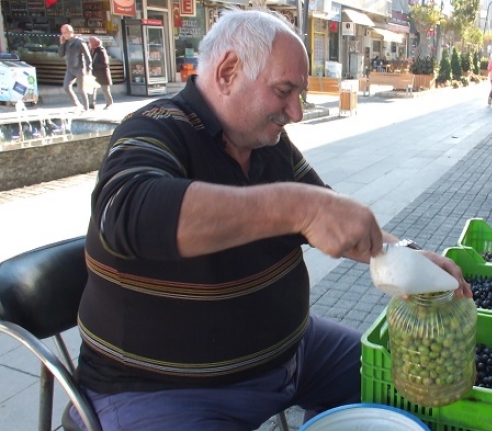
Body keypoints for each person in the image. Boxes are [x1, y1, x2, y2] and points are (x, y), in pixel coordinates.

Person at [70, 9, 471, 431]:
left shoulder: (266, 144)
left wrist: (410, 256)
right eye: (284, 91)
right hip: (162, 389)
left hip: (294, 354)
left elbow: (332, 218)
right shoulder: (152, 130)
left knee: (392, 383)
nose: (296, 112)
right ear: (227, 71)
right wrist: (297, 207)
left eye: (300, 94)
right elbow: (128, 212)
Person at [58, 24, 92, 111]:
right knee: (66, 87)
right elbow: (61, 55)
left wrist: (89, 69)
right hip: (70, 68)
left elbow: (88, 56)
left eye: (66, 32)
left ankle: (86, 108)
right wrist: (61, 44)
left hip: (79, 68)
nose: (64, 35)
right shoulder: (66, 42)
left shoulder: (79, 42)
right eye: (63, 33)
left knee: (81, 89)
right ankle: (77, 104)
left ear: (71, 32)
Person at [88, 36, 113, 109]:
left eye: (90, 42)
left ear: (94, 43)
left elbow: (105, 63)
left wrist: (94, 65)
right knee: (92, 89)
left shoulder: (101, 51)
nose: (89, 44)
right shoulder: (92, 50)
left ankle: (109, 103)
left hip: (102, 74)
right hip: (95, 74)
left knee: (105, 90)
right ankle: (92, 104)